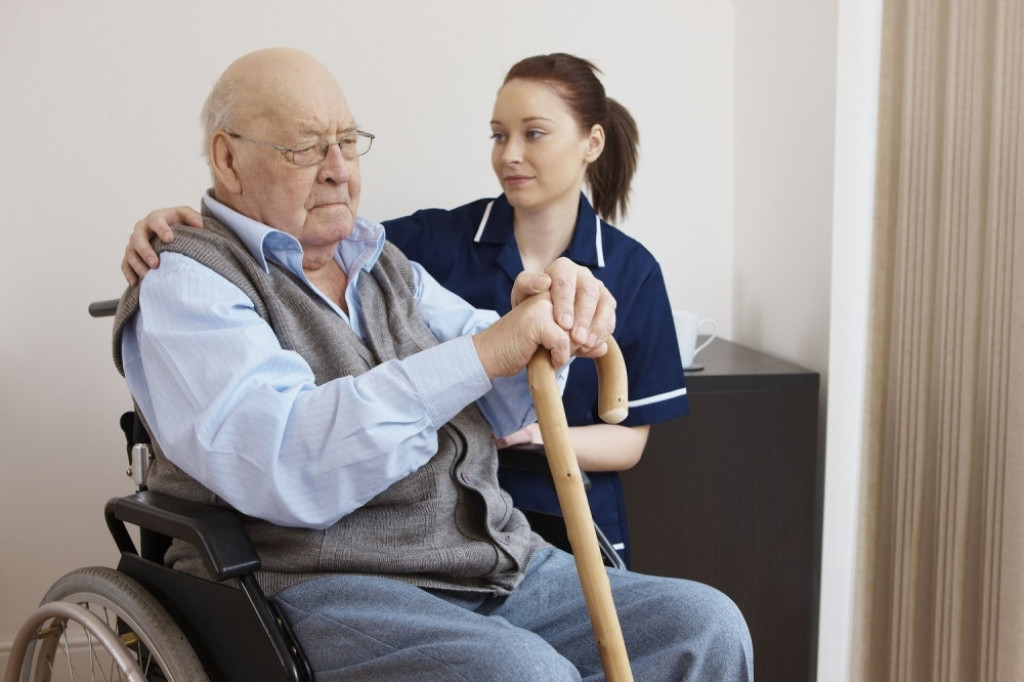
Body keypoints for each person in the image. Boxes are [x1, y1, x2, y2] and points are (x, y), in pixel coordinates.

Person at [114, 46, 752, 680]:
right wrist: (488, 350)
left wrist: (542, 326)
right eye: (307, 147)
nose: (339, 170)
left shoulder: (386, 263)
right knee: (523, 675)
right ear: (228, 159)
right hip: (319, 582)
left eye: (348, 142)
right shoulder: (189, 280)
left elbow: (507, 399)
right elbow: (288, 461)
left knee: (705, 626)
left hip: (485, 558)